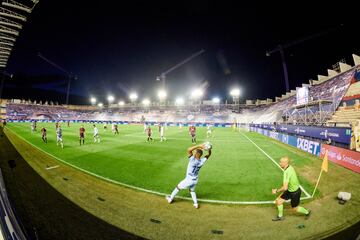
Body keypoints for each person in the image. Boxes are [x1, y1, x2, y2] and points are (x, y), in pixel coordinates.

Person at [166, 143, 212, 209]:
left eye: (195, 152)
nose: (194, 152)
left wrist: (199, 146)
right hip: (195, 180)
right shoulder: (202, 161)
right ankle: (195, 204)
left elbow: (188, 150)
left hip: (189, 180)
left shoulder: (192, 159)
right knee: (192, 191)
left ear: (197, 154)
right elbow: (208, 155)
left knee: (178, 187)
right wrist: (209, 149)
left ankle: (170, 199)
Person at [272, 156, 311, 221]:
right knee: (279, 202)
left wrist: (276, 190)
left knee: (295, 208)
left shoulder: (286, 172)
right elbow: (286, 186)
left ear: (285, 163)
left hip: (295, 193)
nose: (280, 163)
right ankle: (280, 216)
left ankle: (307, 212)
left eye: (281, 162)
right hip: (290, 190)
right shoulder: (290, 167)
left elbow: (285, 187)